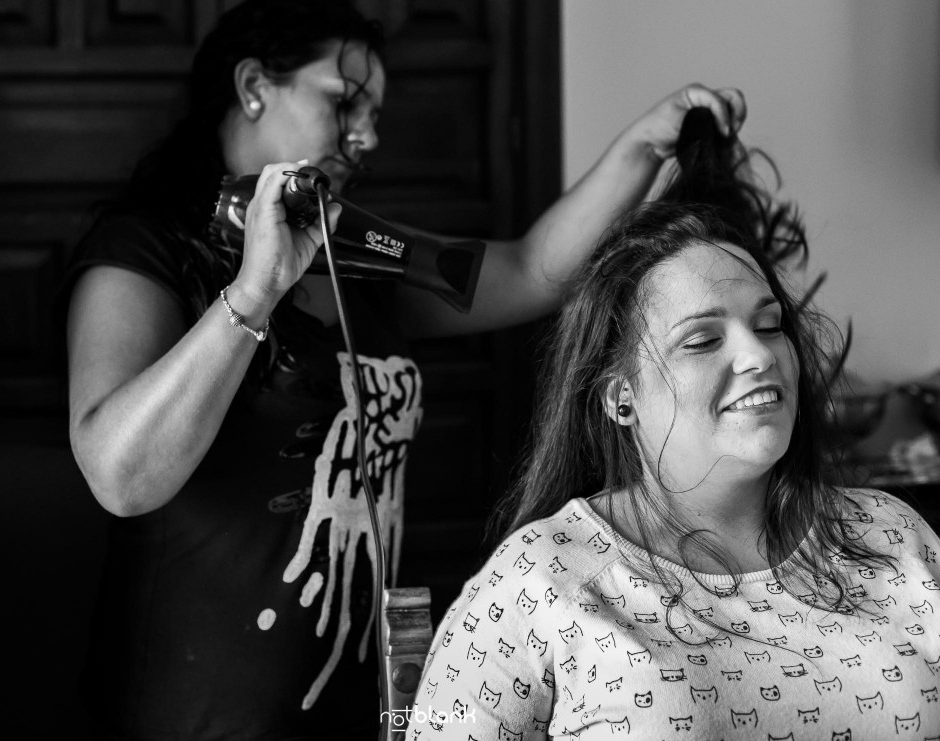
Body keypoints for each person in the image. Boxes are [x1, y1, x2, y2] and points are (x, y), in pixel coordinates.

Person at [62, 0, 746, 738]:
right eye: (344, 102)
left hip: (365, 702)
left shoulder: (353, 250)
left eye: (375, 114)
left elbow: (527, 270)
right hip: (196, 711)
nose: (367, 137)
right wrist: (254, 294)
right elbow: (121, 477)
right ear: (255, 85)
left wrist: (645, 144)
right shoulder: (144, 253)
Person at [403, 128, 940, 738]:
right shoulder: (541, 582)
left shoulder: (893, 536)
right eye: (702, 339)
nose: (759, 355)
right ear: (621, 397)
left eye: (769, 326)